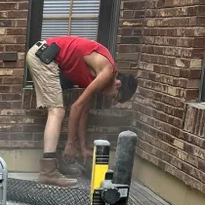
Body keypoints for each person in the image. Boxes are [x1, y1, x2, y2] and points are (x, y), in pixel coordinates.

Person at [25, 35, 138, 187]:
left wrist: (83, 147)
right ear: (118, 84)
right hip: (43, 55)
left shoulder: (100, 77)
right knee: (57, 112)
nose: (111, 99)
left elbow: (84, 111)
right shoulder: (106, 73)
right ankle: (48, 171)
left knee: (58, 111)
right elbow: (76, 107)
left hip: (47, 56)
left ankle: (55, 163)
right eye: (115, 97)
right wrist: (71, 144)